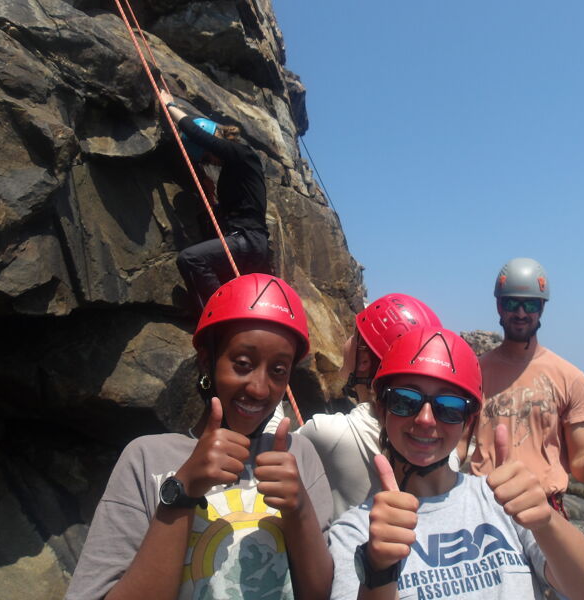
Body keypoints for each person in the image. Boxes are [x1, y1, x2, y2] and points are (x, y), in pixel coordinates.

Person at [66, 274, 333, 600]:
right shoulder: (146, 458)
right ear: (208, 361)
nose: (260, 387)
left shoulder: (298, 455)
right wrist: (182, 492)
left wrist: (300, 508)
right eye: (243, 364)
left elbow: (320, 593)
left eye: (278, 370)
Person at [329, 327, 584, 600]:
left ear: (468, 421)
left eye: (449, 407)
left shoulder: (503, 503)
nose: (426, 419)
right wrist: (378, 570)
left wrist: (546, 521)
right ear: (382, 408)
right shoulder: (356, 531)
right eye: (406, 400)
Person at [466, 258, 584, 517]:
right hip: (483, 508)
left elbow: (580, 465)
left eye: (529, 304)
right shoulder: (472, 373)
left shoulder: (570, 378)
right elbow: (456, 447)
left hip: (545, 511)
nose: (520, 313)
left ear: (542, 308)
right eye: (511, 303)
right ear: (499, 306)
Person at [270, 293, 444, 519]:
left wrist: (272, 377)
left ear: (363, 361)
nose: (347, 341)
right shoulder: (440, 446)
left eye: (354, 337)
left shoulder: (332, 434)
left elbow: (269, 447)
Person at [160, 89, 270, 316]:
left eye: (208, 157)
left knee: (190, 260)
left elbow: (197, 134)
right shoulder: (235, 172)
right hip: (247, 242)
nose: (212, 162)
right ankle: (230, 314)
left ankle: (220, 314)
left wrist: (170, 106)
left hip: (247, 240)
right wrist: (211, 200)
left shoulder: (243, 155)